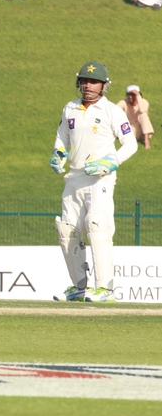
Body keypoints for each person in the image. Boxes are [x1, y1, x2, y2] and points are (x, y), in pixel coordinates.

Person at [50, 61, 137, 303]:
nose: (88, 86)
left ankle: (105, 289)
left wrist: (111, 162)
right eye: (85, 81)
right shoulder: (70, 108)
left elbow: (130, 144)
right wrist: (58, 154)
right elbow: (62, 136)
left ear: (103, 86)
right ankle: (78, 287)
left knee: (98, 226)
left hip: (100, 178)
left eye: (94, 82)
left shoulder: (112, 111)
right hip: (75, 177)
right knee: (67, 230)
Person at [117, 85, 154, 150]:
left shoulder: (144, 102)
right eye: (129, 95)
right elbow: (115, 109)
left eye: (133, 95)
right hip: (130, 131)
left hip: (142, 131)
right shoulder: (124, 102)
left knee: (143, 115)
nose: (130, 97)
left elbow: (142, 109)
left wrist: (138, 96)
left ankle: (146, 142)